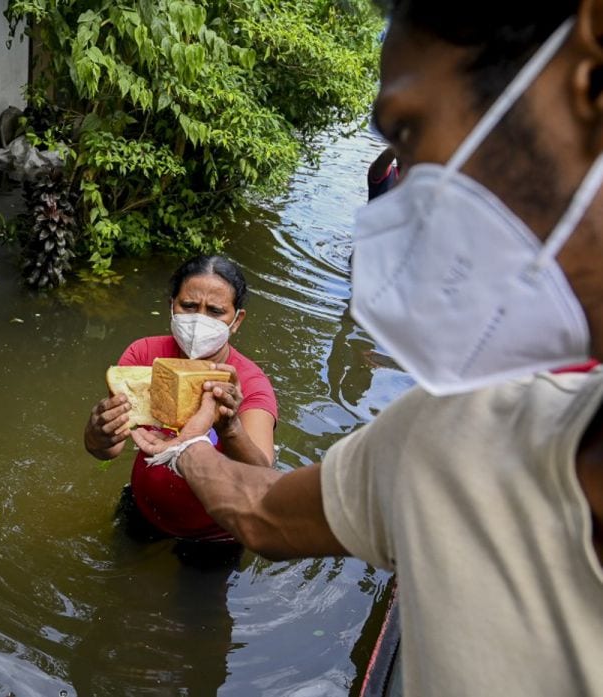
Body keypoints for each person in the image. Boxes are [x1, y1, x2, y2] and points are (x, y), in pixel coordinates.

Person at [132, 3, 603, 695]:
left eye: (410, 132)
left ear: (588, 74)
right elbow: (258, 509)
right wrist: (185, 442)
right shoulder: (442, 437)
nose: (401, 206)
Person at [84, 255, 277, 542]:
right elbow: (107, 450)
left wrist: (230, 426)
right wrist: (97, 431)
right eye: (188, 306)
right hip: (144, 507)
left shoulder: (249, 383)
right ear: (171, 305)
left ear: (236, 321)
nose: (200, 319)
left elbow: (262, 478)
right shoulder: (143, 357)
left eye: (215, 311)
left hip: (216, 533)